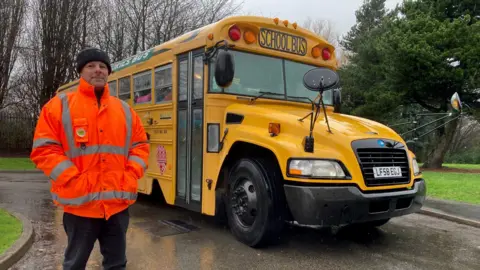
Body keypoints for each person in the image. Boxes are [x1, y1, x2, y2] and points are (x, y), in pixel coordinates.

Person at [30, 47, 150, 270]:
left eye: (103, 66)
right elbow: (44, 149)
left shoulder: (125, 110)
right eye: (91, 66)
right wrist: (73, 179)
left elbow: (140, 146)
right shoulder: (58, 106)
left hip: (116, 207)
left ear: (108, 72)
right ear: (81, 72)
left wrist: (131, 174)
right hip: (79, 207)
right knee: (74, 264)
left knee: (117, 264)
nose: (98, 70)